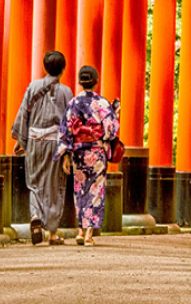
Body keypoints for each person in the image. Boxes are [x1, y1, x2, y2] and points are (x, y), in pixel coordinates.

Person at [11, 51, 74, 245]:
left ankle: (35, 216)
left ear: (45, 67)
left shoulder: (33, 87)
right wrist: (67, 154)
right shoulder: (66, 92)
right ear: (62, 69)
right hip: (55, 143)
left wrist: (21, 140)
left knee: (35, 183)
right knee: (54, 186)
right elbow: (69, 123)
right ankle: (52, 232)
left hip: (34, 140)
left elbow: (24, 112)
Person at [54, 65, 120, 246]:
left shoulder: (73, 103)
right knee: (96, 190)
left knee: (80, 189)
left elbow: (66, 129)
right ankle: (89, 233)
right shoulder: (103, 104)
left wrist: (66, 155)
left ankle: (80, 230)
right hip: (97, 152)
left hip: (78, 152)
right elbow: (111, 129)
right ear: (96, 81)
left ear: (80, 82)